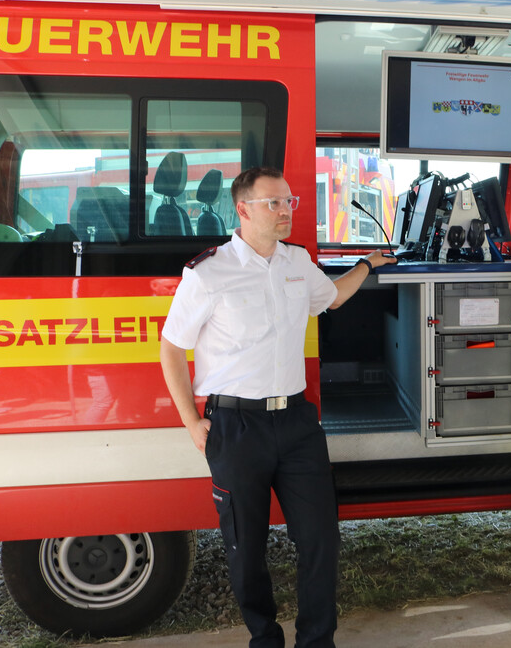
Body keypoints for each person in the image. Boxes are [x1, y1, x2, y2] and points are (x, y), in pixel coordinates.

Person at [159, 167, 395, 648]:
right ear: (243, 209)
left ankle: (316, 640)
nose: (286, 210)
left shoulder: (296, 261)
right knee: (246, 550)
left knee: (319, 541)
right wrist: (190, 420)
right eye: (275, 203)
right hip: (235, 426)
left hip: (296, 424)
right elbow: (170, 348)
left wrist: (368, 264)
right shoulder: (208, 272)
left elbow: (331, 297)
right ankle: (264, 638)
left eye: (290, 202)